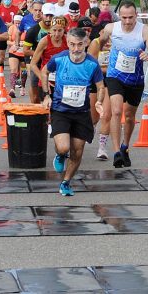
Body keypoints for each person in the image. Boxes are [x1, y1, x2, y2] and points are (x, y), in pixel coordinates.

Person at [41, 27, 105, 196]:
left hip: (82, 113)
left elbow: (100, 86)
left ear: (86, 43)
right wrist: (46, 95)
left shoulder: (92, 64)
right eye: (72, 44)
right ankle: (60, 155)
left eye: (79, 45)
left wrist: (99, 101)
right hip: (61, 110)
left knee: (77, 150)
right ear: (67, 43)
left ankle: (66, 182)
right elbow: (44, 71)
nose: (76, 49)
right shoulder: (59, 59)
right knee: (63, 147)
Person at [99, 1, 148, 169]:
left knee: (130, 116)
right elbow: (99, 41)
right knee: (116, 111)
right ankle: (117, 152)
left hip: (135, 79)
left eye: (131, 17)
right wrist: (99, 53)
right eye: (124, 17)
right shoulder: (111, 28)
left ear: (136, 15)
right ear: (119, 16)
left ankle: (125, 146)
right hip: (115, 76)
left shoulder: (144, 30)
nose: (127, 21)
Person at [88, 25, 112, 160]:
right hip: (96, 81)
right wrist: (108, 68)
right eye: (104, 33)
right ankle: (91, 127)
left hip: (110, 81)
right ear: (100, 33)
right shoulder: (95, 43)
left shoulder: (116, 43)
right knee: (94, 117)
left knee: (107, 115)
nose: (107, 37)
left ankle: (102, 148)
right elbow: (92, 66)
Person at [30, 16, 69, 97]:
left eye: (60, 30)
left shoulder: (68, 40)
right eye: (54, 30)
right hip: (47, 80)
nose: (57, 34)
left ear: (64, 29)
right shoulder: (44, 41)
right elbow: (33, 64)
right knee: (46, 107)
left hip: (63, 81)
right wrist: (42, 78)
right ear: (50, 29)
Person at [23, 2, 55, 103]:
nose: (48, 18)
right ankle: (36, 114)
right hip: (37, 64)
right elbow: (25, 51)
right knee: (36, 96)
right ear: (42, 14)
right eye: (46, 15)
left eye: (51, 16)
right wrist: (40, 53)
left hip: (53, 65)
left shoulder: (58, 30)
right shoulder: (33, 31)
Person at [6, 14, 26, 98]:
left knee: (23, 71)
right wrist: (14, 43)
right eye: (16, 23)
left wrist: (23, 43)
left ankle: (23, 87)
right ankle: (12, 89)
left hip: (24, 52)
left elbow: (29, 40)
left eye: (19, 23)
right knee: (13, 69)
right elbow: (7, 41)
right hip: (13, 51)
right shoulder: (11, 28)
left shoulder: (26, 28)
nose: (17, 25)